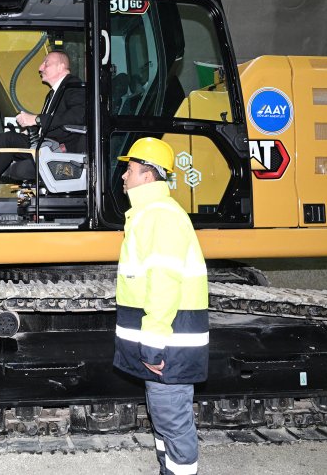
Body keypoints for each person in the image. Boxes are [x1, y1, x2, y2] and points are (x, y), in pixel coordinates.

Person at [113, 137, 209, 475]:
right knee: (164, 416)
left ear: (148, 177)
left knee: (171, 417)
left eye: (130, 170)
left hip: (169, 340)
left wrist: (152, 343)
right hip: (169, 338)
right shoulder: (148, 214)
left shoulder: (159, 215)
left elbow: (164, 282)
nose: (124, 176)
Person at [0, 49, 85, 215]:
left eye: (46, 63)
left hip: (59, 148)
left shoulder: (74, 87)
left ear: (61, 67)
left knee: (3, 141)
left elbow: (78, 116)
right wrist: (34, 130)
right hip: (45, 144)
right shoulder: (53, 94)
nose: (40, 68)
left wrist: (37, 120)